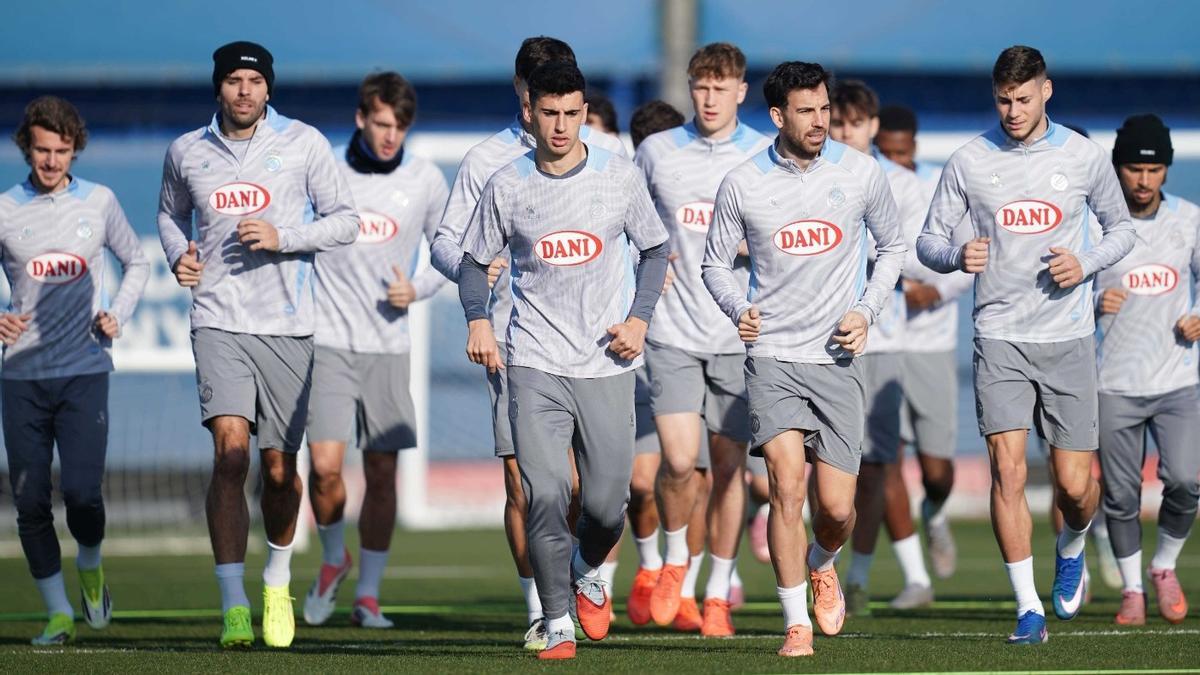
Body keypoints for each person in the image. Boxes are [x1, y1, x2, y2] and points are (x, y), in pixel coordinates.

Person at [916, 45, 1134, 645]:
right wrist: (958, 255)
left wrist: (1084, 264)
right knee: (1007, 472)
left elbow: (1121, 233)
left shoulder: (1084, 156)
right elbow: (928, 242)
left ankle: (1073, 545)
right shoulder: (968, 161)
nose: (1013, 111)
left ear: (1046, 91)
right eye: (1003, 100)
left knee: (1072, 486)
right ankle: (1027, 609)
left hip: (1067, 338)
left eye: (1023, 98)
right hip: (999, 335)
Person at [457, 61, 668, 660]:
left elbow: (654, 249)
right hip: (534, 359)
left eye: (572, 113)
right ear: (530, 111)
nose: (561, 125)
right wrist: (478, 319)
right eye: (549, 113)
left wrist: (638, 319)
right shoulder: (507, 183)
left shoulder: (617, 176)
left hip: (605, 361)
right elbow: (473, 263)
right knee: (543, 494)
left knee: (606, 503)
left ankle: (585, 565)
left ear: (582, 112)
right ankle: (556, 622)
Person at [157, 41, 358, 648]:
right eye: (233, 81)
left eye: (253, 81)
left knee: (278, 470)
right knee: (230, 455)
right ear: (218, 88)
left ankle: (276, 579)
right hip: (218, 321)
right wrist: (178, 255)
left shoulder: (303, 143)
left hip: (288, 327)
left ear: (268, 89)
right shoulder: (186, 151)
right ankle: (233, 602)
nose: (243, 90)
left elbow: (345, 220)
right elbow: (170, 215)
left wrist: (285, 236)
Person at [430, 35, 628, 652]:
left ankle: (585, 573)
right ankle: (546, 611)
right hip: (515, 344)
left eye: (566, 97)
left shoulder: (610, 156)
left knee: (596, 493)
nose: (555, 113)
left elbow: (646, 236)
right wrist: (478, 291)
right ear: (523, 94)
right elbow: (449, 245)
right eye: (539, 91)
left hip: (596, 347)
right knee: (529, 484)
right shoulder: (487, 162)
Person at [703, 60, 906, 657]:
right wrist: (736, 306)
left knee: (837, 508)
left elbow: (893, 246)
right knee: (787, 487)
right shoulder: (743, 182)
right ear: (777, 116)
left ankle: (823, 561)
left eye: (824, 108)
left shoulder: (862, 173)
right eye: (807, 111)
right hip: (772, 357)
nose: (820, 121)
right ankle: (795, 624)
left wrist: (866, 310)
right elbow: (714, 262)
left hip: (838, 358)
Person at [301, 72, 448, 629]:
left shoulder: (425, 179)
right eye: (383, 124)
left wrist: (418, 289)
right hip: (327, 340)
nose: (391, 137)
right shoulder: (326, 173)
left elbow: (448, 251)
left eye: (401, 127)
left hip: (388, 345)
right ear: (362, 118)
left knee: (383, 474)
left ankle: (367, 593)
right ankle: (334, 556)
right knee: (324, 468)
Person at [1, 96, 149, 645]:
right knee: (31, 500)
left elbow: (137, 261)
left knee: (83, 494)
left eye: (62, 151)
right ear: (26, 147)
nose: (51, 161)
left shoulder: (101, 202)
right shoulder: (5, 209)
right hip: (21, 378)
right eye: (42, 149)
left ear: (75, 149)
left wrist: (120, 313)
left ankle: (91, 566)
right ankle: (58, 613)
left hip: (85, 370)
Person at [636, 42, 771, 637]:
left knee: (729, 471)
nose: (710, 97)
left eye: (722, 87)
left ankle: (717, 590)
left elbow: (791, 237)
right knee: (676, 462)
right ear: (690, 88)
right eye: (701, 86)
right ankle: (672, 562)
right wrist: (643, 267)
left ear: (741, 91)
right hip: (671, 332)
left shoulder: (765, 156)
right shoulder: (657, 152)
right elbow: (626, 224)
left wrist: (757, 245)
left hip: (738, 337)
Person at [828, 80, 934, 614]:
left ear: (872, 125)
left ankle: (861, 576)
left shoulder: (901, 184)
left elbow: (914, 257)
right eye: (837, 122)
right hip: (816, 344)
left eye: (854, 123)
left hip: (882, 341)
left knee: (875, 467)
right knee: (812, 464)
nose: (845, 132)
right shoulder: (813, 174)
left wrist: (872, 253)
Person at [1094, 114, 1199, 626]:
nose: (1142, 180)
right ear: (1118, 169)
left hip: (1176, 380)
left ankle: (1163, 567)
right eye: (1133, 168)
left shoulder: (1189, 220)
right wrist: (1094, 299)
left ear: (1166, 172)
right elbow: (1058, 287)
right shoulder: (1097, 225)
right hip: (1113, 382)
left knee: (1184, 480)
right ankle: (1132, 590)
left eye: (1153, 170)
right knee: (1120, 495)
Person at [874, 104, 971, 584]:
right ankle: (915, 578)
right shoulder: (868, 182)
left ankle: (933, 511)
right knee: (885, 459)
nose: (894, 159)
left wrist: (937, 288)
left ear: (913, 144)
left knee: (937, 471)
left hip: (932, 341)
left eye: (901, 151)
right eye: (885, 152)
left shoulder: (941, 184)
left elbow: (970, 254)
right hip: (880, 341)